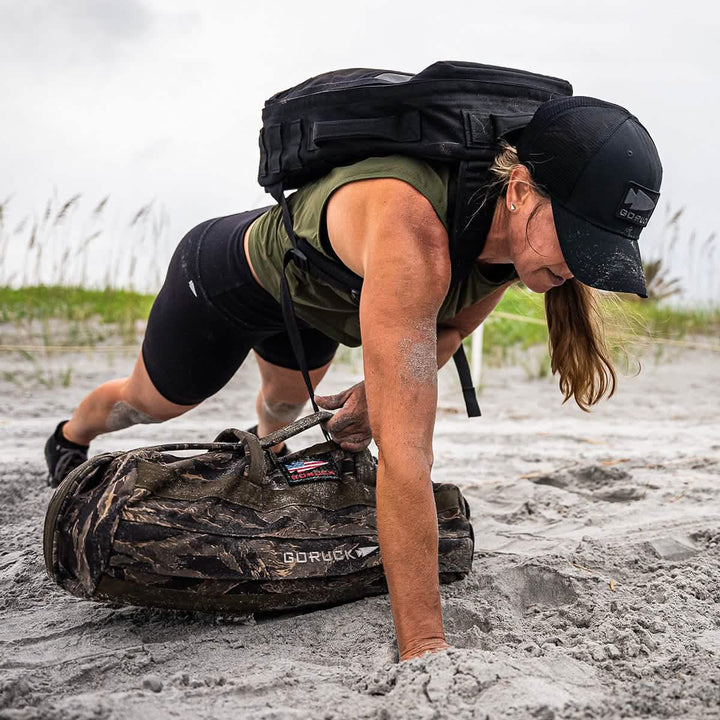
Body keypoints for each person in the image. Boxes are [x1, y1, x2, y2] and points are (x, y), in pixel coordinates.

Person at [45, 96, 662, 662]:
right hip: (226, 279)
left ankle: (273, 480)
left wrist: (371, 399)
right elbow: (405, 457)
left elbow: (443, 334)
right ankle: (70, 437)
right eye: (577, 238)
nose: (578, 266)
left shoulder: (506, 248)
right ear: (521, 188)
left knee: (285, 405)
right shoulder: (413, 232)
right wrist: (424, 646)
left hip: (312, 308)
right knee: (147, 405)